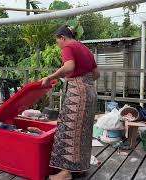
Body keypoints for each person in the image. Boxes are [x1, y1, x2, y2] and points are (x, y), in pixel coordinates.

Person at [41, 25, 100, 180]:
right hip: (90, 93)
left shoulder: (68, 47)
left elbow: (69, 67)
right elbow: (96, 74)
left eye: (57, 41)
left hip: (77, 95)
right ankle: (78, 169)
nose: (58, 45)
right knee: (84, 132)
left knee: (68, 130)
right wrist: (84, 83)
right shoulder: (85, 48)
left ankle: (66, 173)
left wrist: (50, 77)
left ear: (62, 37)